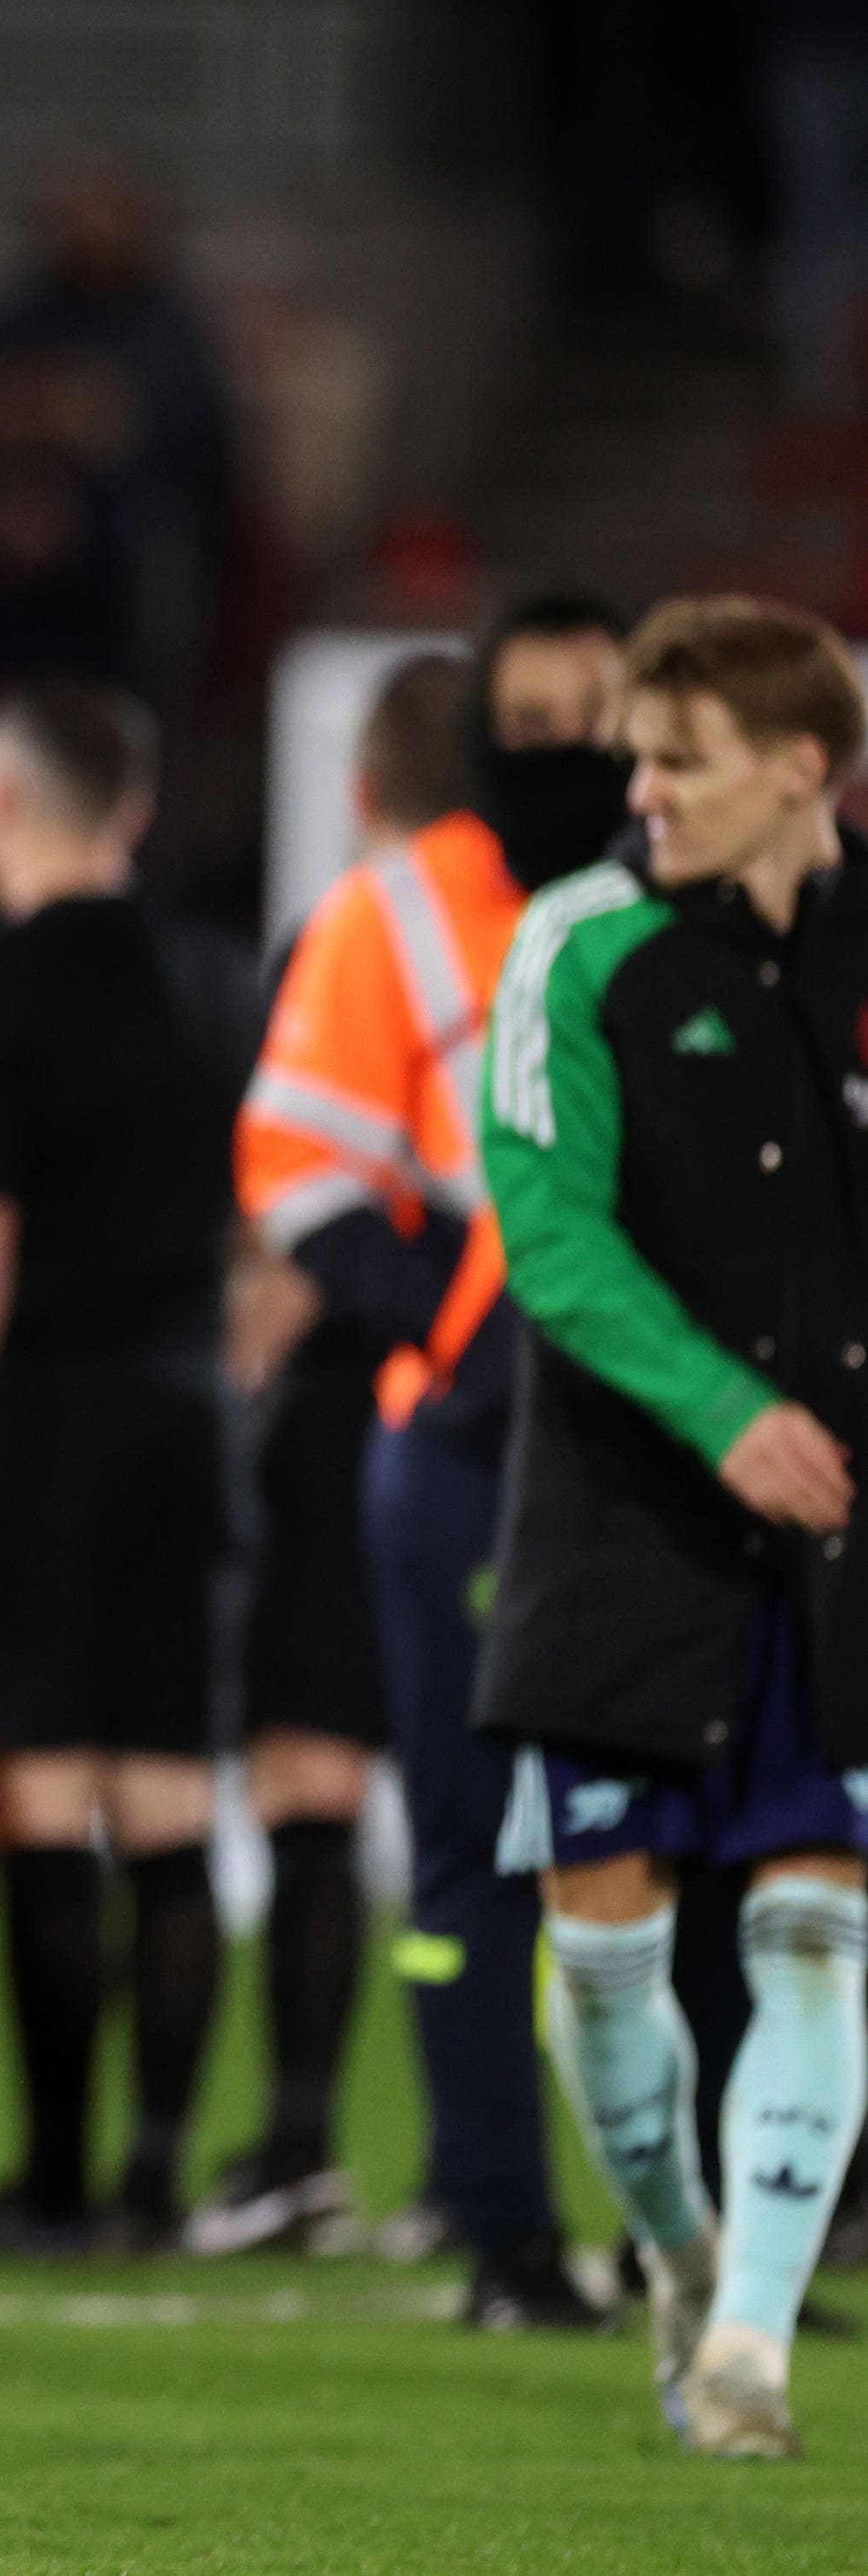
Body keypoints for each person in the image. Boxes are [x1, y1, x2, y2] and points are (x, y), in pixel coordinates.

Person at [479, 594, 868, 2460]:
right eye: (633, 753)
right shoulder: (574, 944)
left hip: (836, 1521)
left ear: (802, 771)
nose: (634, 789)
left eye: (673, 761)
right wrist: (724, 1413)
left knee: (813, 1923)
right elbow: (546, 1234)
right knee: (605, 1949)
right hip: (620, 1504)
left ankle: (746, 2353)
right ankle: (673, 2244)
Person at [232, 598, 626, 2322]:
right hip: (471, 1436)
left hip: (679, 1430)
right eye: (527, 721)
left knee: (694, 1838)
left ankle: (715, 2232)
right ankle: (497, 2222)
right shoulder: (389, 909)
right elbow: (293, 1162)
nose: (564, 752)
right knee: (466, 1844)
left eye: (592, 717)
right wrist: (448, 1323)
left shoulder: (708, 904)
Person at [0, 682, 256, 2255]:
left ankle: (52, 2186)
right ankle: (158, 2179)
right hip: (190, 1410)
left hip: (43, 1415)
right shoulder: (226, 982)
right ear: (136, 809)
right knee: (167, 1797)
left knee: (41, 1795)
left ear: (3, 805)